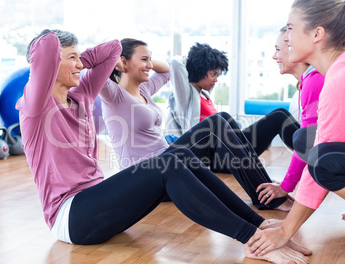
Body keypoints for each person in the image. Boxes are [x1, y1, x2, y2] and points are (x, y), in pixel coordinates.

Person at [16, 29, 310, 264]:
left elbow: (113, 50)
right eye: (72, 58)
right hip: (71, 217)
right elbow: (45, 46)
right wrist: (60, 50)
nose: (81, 65)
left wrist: (81, 55)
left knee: (179, 155)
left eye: (81, 58)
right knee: (168, 163)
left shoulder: (81, 96)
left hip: (97, 205)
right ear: (50, 63)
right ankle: (252, 241)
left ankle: (260, 227)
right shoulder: (35, 105)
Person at [246, 0, 345, 257]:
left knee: (324, 159)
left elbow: (322, 159)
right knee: (305, 139)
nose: (286, 38)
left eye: (290, 28)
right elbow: (318, 145)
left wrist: (286, 230)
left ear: (317, 34)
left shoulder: (344, 78)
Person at [99, 39, 293, 211]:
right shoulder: (113, 96)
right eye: (144, 59)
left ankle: (267, 191)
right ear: (123, 62)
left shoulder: (144, 89)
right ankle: (267, 199)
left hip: (167, 163)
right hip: (145, 177)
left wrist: (145, 60)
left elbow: (165, 70)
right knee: (217, 123)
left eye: (150, 59)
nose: (149, 65)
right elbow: (96, 70)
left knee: (224, 118)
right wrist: (114, 59)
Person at [167, 42, 298, 156]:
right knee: (279, 118)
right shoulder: (185, 97)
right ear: (200, 71)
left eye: (217, 75)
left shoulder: (204, 95)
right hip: (215, 155)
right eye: (213, 74)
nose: (215, 80)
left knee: (280, 113)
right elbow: (175, 63)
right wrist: (188, 60)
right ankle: (310, 153)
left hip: (227, 147)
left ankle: (309, 149)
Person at [256, 27, 324, 206]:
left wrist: (285, 187)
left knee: (301, 137)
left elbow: (308, 141)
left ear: (294, 49)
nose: (274, 56)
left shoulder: (315, 81)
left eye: (278, 49)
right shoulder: (309, 80)